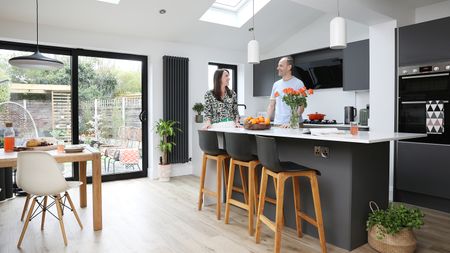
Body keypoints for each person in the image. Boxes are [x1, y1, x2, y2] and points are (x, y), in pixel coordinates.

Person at [266, 56, 305, 128]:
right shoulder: (276, 84)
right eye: (278, 66)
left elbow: (301, 106)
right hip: (278, 124)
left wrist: (292, 122)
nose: (278, 68)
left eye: (281, 66)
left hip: (294, 125)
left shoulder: (299, 83)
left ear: (289, 67)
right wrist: (266, 121)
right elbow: (271, 105)